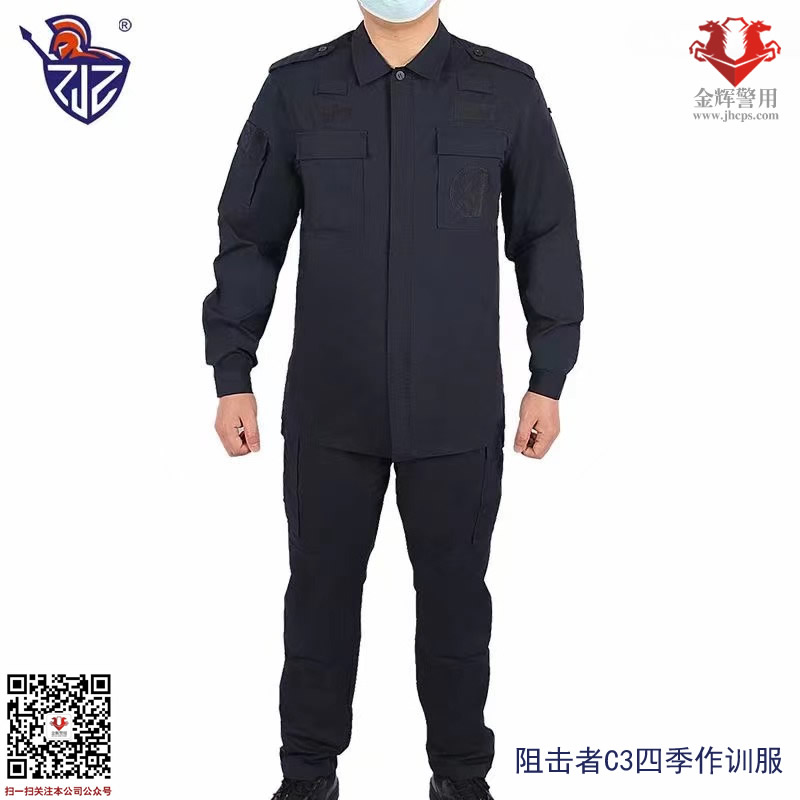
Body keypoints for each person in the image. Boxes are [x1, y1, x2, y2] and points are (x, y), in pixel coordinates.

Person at [202, 0, 583, 797]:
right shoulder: (296, 89)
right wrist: (233, 369)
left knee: (455, 611)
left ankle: (461, 780)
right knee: (318, 606)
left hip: (456, 410)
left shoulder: (505, 91)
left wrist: (548, 376)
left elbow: (546, 234)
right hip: (330, 411)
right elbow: (251, 237)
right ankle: (306, 780)